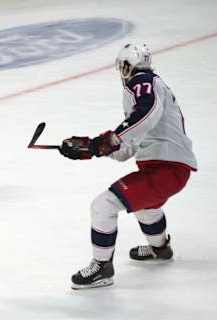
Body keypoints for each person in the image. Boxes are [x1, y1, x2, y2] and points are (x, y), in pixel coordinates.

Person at [59, 44, 197, 289]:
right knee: (146, 208)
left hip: (167, 168)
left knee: (103, 205)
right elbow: (129, 145)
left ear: (125, 66)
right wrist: (89, 150)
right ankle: (160, 249)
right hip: (167, 168)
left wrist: (103, 142)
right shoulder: (149, 88)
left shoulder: (142, 80)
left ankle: (102, 268)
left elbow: (145, 115)